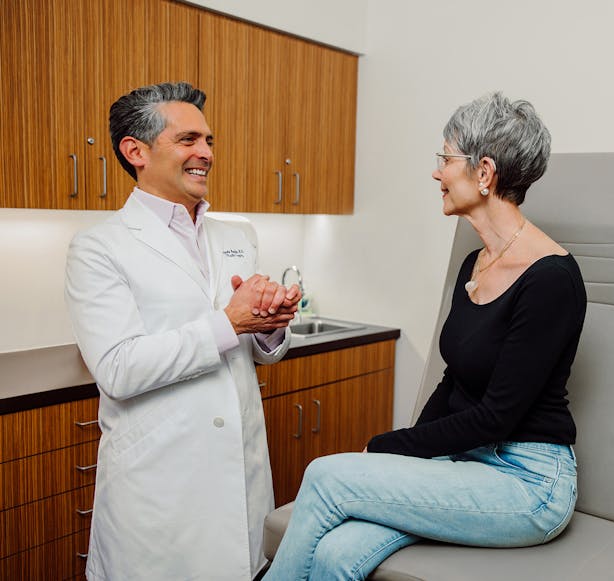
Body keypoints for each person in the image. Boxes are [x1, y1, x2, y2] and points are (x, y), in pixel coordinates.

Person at [265, 92, 587, 580]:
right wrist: (403, 450)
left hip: (527, 482)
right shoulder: (473, 265)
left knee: (325, 475)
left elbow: (496, 417)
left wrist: (387, 445)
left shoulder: (551, 279)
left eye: (445, 159)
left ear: (483, 172)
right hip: (463, 465)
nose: (437, 173)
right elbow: (453, 384)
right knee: (334, 555)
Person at [65, 82, 302, 580]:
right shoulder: (99, 248)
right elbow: (118, 369)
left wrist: (269, 328)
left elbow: (254, 352)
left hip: (239, 473)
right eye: (189, 140)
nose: (206, 154)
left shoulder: (236, 237)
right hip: (160, 489)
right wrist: (230, 321)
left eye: (209, 141)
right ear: (136, 151)